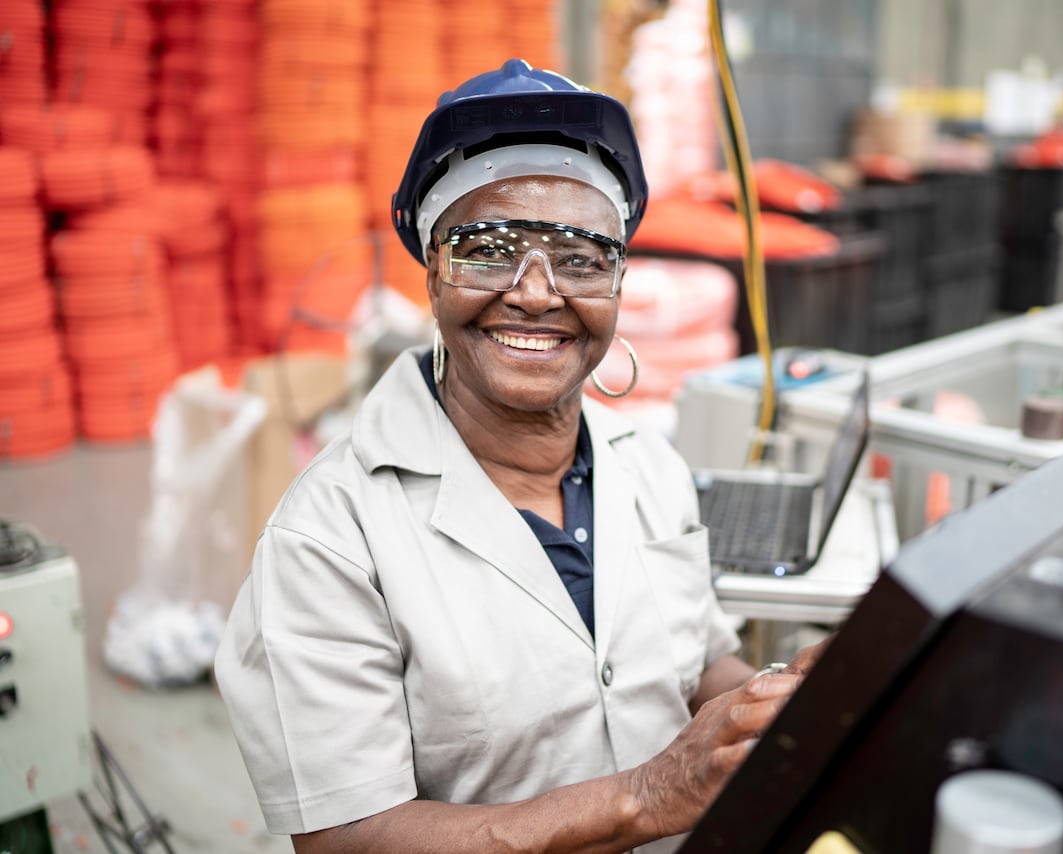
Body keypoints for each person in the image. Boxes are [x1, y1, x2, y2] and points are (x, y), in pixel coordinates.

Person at [214, 58, 825, 854]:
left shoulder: (648, 465)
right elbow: (347, 838)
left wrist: (780, 708)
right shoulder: (330, 539)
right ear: (432, 272)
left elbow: (699, 657)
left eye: (580, 258)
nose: (537, 293)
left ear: (616, 285)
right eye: (489, 249)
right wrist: (644, 797)